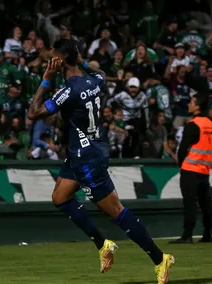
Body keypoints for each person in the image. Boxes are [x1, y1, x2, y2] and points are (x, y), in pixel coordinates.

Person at [27, 39, 174, 283]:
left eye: (53, 58)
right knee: (60, 198)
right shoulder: (93, 81)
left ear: (61, 61)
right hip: (82, 152)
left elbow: (33, 113)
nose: (50, 61)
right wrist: (81, 62)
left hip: (88, 158)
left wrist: (46, 79)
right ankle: (103, 244)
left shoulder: (69, 90)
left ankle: (160, 259)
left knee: (116, 212)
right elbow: (102, 73)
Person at [170, 93, 212, 244]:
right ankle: (208, 234)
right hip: (205, 169)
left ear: (197, 106)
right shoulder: (211, 125)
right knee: (206, 203)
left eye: (191, 102)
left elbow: (182, 149)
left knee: (190, 202)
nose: (189, 104)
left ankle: (187, 235)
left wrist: (181, 165)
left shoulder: (193, 125)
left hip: (190, 169)